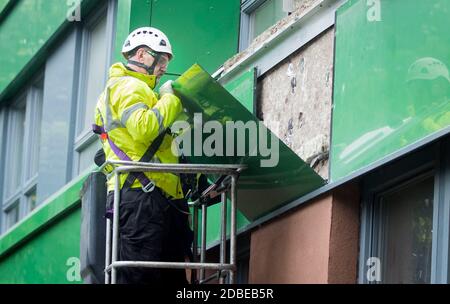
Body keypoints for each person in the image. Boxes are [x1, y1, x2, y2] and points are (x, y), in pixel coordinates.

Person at [93, 27, 193, 284]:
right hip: (141, 197)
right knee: (142, 277)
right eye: (160, 60)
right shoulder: (128, 86)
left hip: (153, 197)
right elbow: (145, 128)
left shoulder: (138, 90)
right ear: (141, 54)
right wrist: (171, 99)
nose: (163, 67)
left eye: (166, 63)